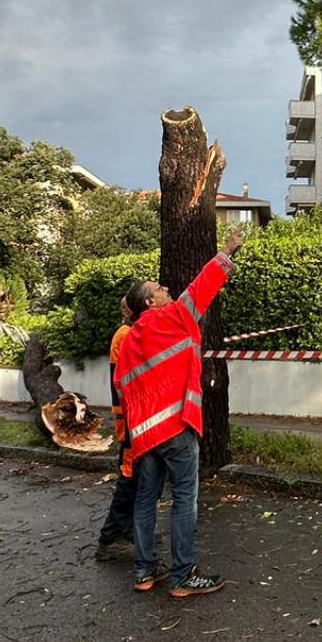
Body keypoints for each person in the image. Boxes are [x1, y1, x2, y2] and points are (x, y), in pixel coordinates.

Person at [114, 229, 246, 598]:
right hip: (176, 427)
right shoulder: (171, 318)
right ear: (149, 303)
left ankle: (144, 572)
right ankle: (183, 575)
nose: (166, 290)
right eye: (158, 289)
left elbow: (124, 387)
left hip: (145, 436)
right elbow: (202, 287)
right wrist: (228, 251)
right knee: (185, 497)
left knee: (146, 498)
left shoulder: (129, 341)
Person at [94, 296, 137, 561]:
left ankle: (129, 531)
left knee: (139, 481)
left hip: (132, 418)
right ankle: (109, 539)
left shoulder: (127, 332)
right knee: (130, 480)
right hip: (131, 420)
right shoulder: (126, 335)